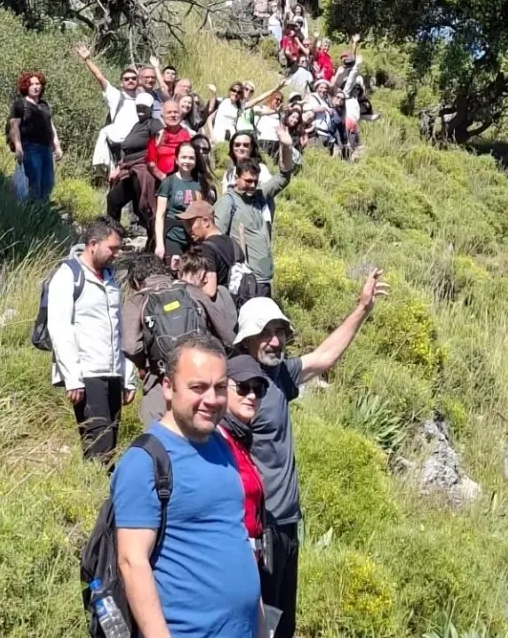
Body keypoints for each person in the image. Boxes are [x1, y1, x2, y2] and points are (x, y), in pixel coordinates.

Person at [232, 271, 390, 638]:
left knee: (282, 621)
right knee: (261, 622)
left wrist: (362, 308)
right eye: (266, 333)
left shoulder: (279, 376)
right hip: (259, 528)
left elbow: (324, 357)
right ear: (247, 340)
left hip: (286, 523)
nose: (275, 341)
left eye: (280, 332)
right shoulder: (239, 389)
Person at [114, 335, 261, 638]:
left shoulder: (222, 445)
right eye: (198, 387)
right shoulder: (146, 460)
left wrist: (261, 628)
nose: (211, 399)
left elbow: (235, 537)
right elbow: (132, 562)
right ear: (168, 387)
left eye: (220, 387)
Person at [46, 218, 136, 463]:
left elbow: (118, 331)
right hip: (87, 374)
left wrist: (126, 376)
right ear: (93, 244)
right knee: (99, 447)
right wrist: (72, 378)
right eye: (113, 248)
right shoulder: (67, 276)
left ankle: (102, 494)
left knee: (110, 445)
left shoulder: (110, 279)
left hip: (112, 373)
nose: (116, 255)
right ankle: (97, 496)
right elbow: (60, 328)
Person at [121, 254, 236, 427]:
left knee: (161, 437)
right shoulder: (190, 290)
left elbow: (130, 347)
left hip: (160, 380)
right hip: (201, 376)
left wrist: (145, 363)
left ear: (137, 283)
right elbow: (226, 335)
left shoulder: (138, 300)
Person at [216, 127, 297, 298]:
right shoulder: (227, 202)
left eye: (255, 181)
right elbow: (217, 240)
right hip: (244, 280)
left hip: (264, 279)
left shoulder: (260, 196)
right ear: (236, 177)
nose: (252, 185)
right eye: (248, 181)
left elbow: (284, 177)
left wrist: (286, 146)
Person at [220, 354, 269, 566]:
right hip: (229, 559)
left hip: (249, 559)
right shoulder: (217, 438)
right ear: (222, 387)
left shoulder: (241, 439)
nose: (251, 395)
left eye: (258, 390)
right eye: (243, 387)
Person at [77, 45, 141, 172]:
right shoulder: (115, 95)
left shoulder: (143, 99)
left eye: (134, 78)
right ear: (121, 83)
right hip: (119, 145)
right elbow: (99, 77)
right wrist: (87, 59)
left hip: (138, 145)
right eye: (126, 79)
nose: (130, 81)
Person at [107, 94, 160, 233]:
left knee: (144, 206)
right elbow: (128, 150)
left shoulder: (153, 123)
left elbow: (160, 139)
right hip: (129, 168)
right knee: (113, 199)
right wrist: (119, 168)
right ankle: (113, 234)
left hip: (142, 168)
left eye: (144, 107)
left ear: (151, 108)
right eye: (138, 107)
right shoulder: (137, 125)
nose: (141, 110)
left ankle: (153, 238)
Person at [7, 71, 62, 202]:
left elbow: (51, 125)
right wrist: (18, 147)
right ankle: (31, 213)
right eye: (31, 84)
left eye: (38, 84)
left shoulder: (44, 105)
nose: (35, 87)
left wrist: (57, 145)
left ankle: (41, 213)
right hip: (30, 148)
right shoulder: (20, 104)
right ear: (26, 86)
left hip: (46, 149)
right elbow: (14, 126)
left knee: (48, 183)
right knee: (34, 184)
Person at [155, 142, 209, 264]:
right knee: (175, 271)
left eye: (191, 158)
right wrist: (160, 244)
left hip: (194, 237)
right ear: (176, 160)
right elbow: (160, 215)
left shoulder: (201, 183)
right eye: (183, 157)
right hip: (173, 236)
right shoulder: (168, 183)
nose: (187, 161)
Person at [180, 200, 244, 301]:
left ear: (206, 221)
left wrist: (187, 285)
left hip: (222, 310)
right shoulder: (232, 242)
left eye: (190, 223)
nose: (188, 229)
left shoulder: (206, 249)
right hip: (238, 305)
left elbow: (210, 291)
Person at [146, 99, 196, 182]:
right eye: (169, 112)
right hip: (161, 180)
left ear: (181, 115)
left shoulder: (190, 135)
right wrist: (163, 177)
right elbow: (151, 163)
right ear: (162, 116)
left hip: (186, 179)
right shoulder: (157, 136)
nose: (173, 115)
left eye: (176, 112)